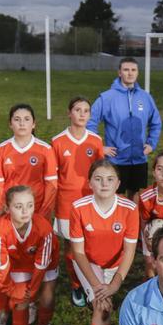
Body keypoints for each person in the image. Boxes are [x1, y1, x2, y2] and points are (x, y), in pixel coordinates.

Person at [70, 159, 139, 325]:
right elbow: (78, 252)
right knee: (103, 307)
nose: (104, 183)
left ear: (118, 183)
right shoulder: (78, 207)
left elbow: (130, 251)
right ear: (89, 183)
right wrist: (99, 286)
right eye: (98, 179)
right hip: (89, 264)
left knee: (113, 301)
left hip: (114, 266)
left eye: (110, 179)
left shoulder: (129, 208)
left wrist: (117, 281)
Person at [0, 185, 61, 325]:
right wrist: (13, 290)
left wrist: (32, 289)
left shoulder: (43, 227)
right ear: (7, 208)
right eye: (18, 206)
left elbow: (42, 263)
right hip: (18, 264)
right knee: (19, 302)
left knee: (46, 298)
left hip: (46, 262)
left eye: (29, 205)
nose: (25, 211)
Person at [51, 96, 104, 307]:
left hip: (90, 201)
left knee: (92, 245)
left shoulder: (96, 141)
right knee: (72, 248)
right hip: (67, 204)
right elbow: (53, 178)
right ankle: (76, 285)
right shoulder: (57, 141)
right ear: (69, 113)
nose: (82, 114)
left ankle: (93, 282)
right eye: (77, 110)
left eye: (86, 111)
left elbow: (101, 174)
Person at [88, 58, 162, 198]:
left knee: (137, 197)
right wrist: (99, 147)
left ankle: (133, 220)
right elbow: (90, 122)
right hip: (116, 160)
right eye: (126, 70)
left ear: (137, 73)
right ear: (119, 73)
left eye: (133, 70)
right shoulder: (107, 97)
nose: (130, 73)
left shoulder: (145, 97)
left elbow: (156, 122)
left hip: (139, 158)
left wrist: (151, 144)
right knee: (117, 197)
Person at [0, 103, 58, 220]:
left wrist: (44, 213)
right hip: (12, 209)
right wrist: (3, 210)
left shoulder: (45, 149)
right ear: (10, 124)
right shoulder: (1, 150)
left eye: (27, 119)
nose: (22, 123)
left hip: (36, 208)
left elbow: (51, 185)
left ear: (33, 124)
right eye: (17, 119)